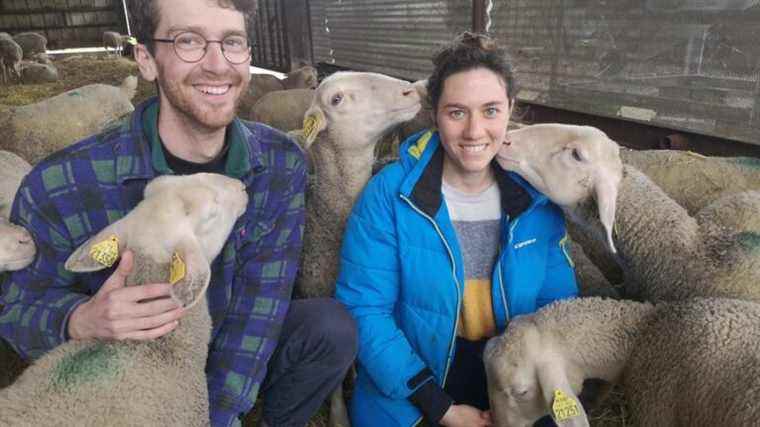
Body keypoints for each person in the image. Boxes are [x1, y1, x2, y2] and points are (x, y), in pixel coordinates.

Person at [0, 0, 356, 426]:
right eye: (188, 40)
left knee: (330, 326)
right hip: (127, 373)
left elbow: (260, 307)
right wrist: (76, 320)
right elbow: (16, 307)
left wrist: (214, 414)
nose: (217, 64)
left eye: (232, 42)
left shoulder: (281, 163)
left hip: (222, 337)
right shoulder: (61, 183)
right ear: (146, 60)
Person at [335, 32, 578, 427]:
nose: (474, 132)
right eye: (457, 112)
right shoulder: (390, 195)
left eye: (491, 111)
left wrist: (523, 394)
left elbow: (559, 306)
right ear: (434, 115)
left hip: (513, 374)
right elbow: (365, 308)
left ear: (510, 109)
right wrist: (439, 407)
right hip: (415, 378)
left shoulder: (537, 199)